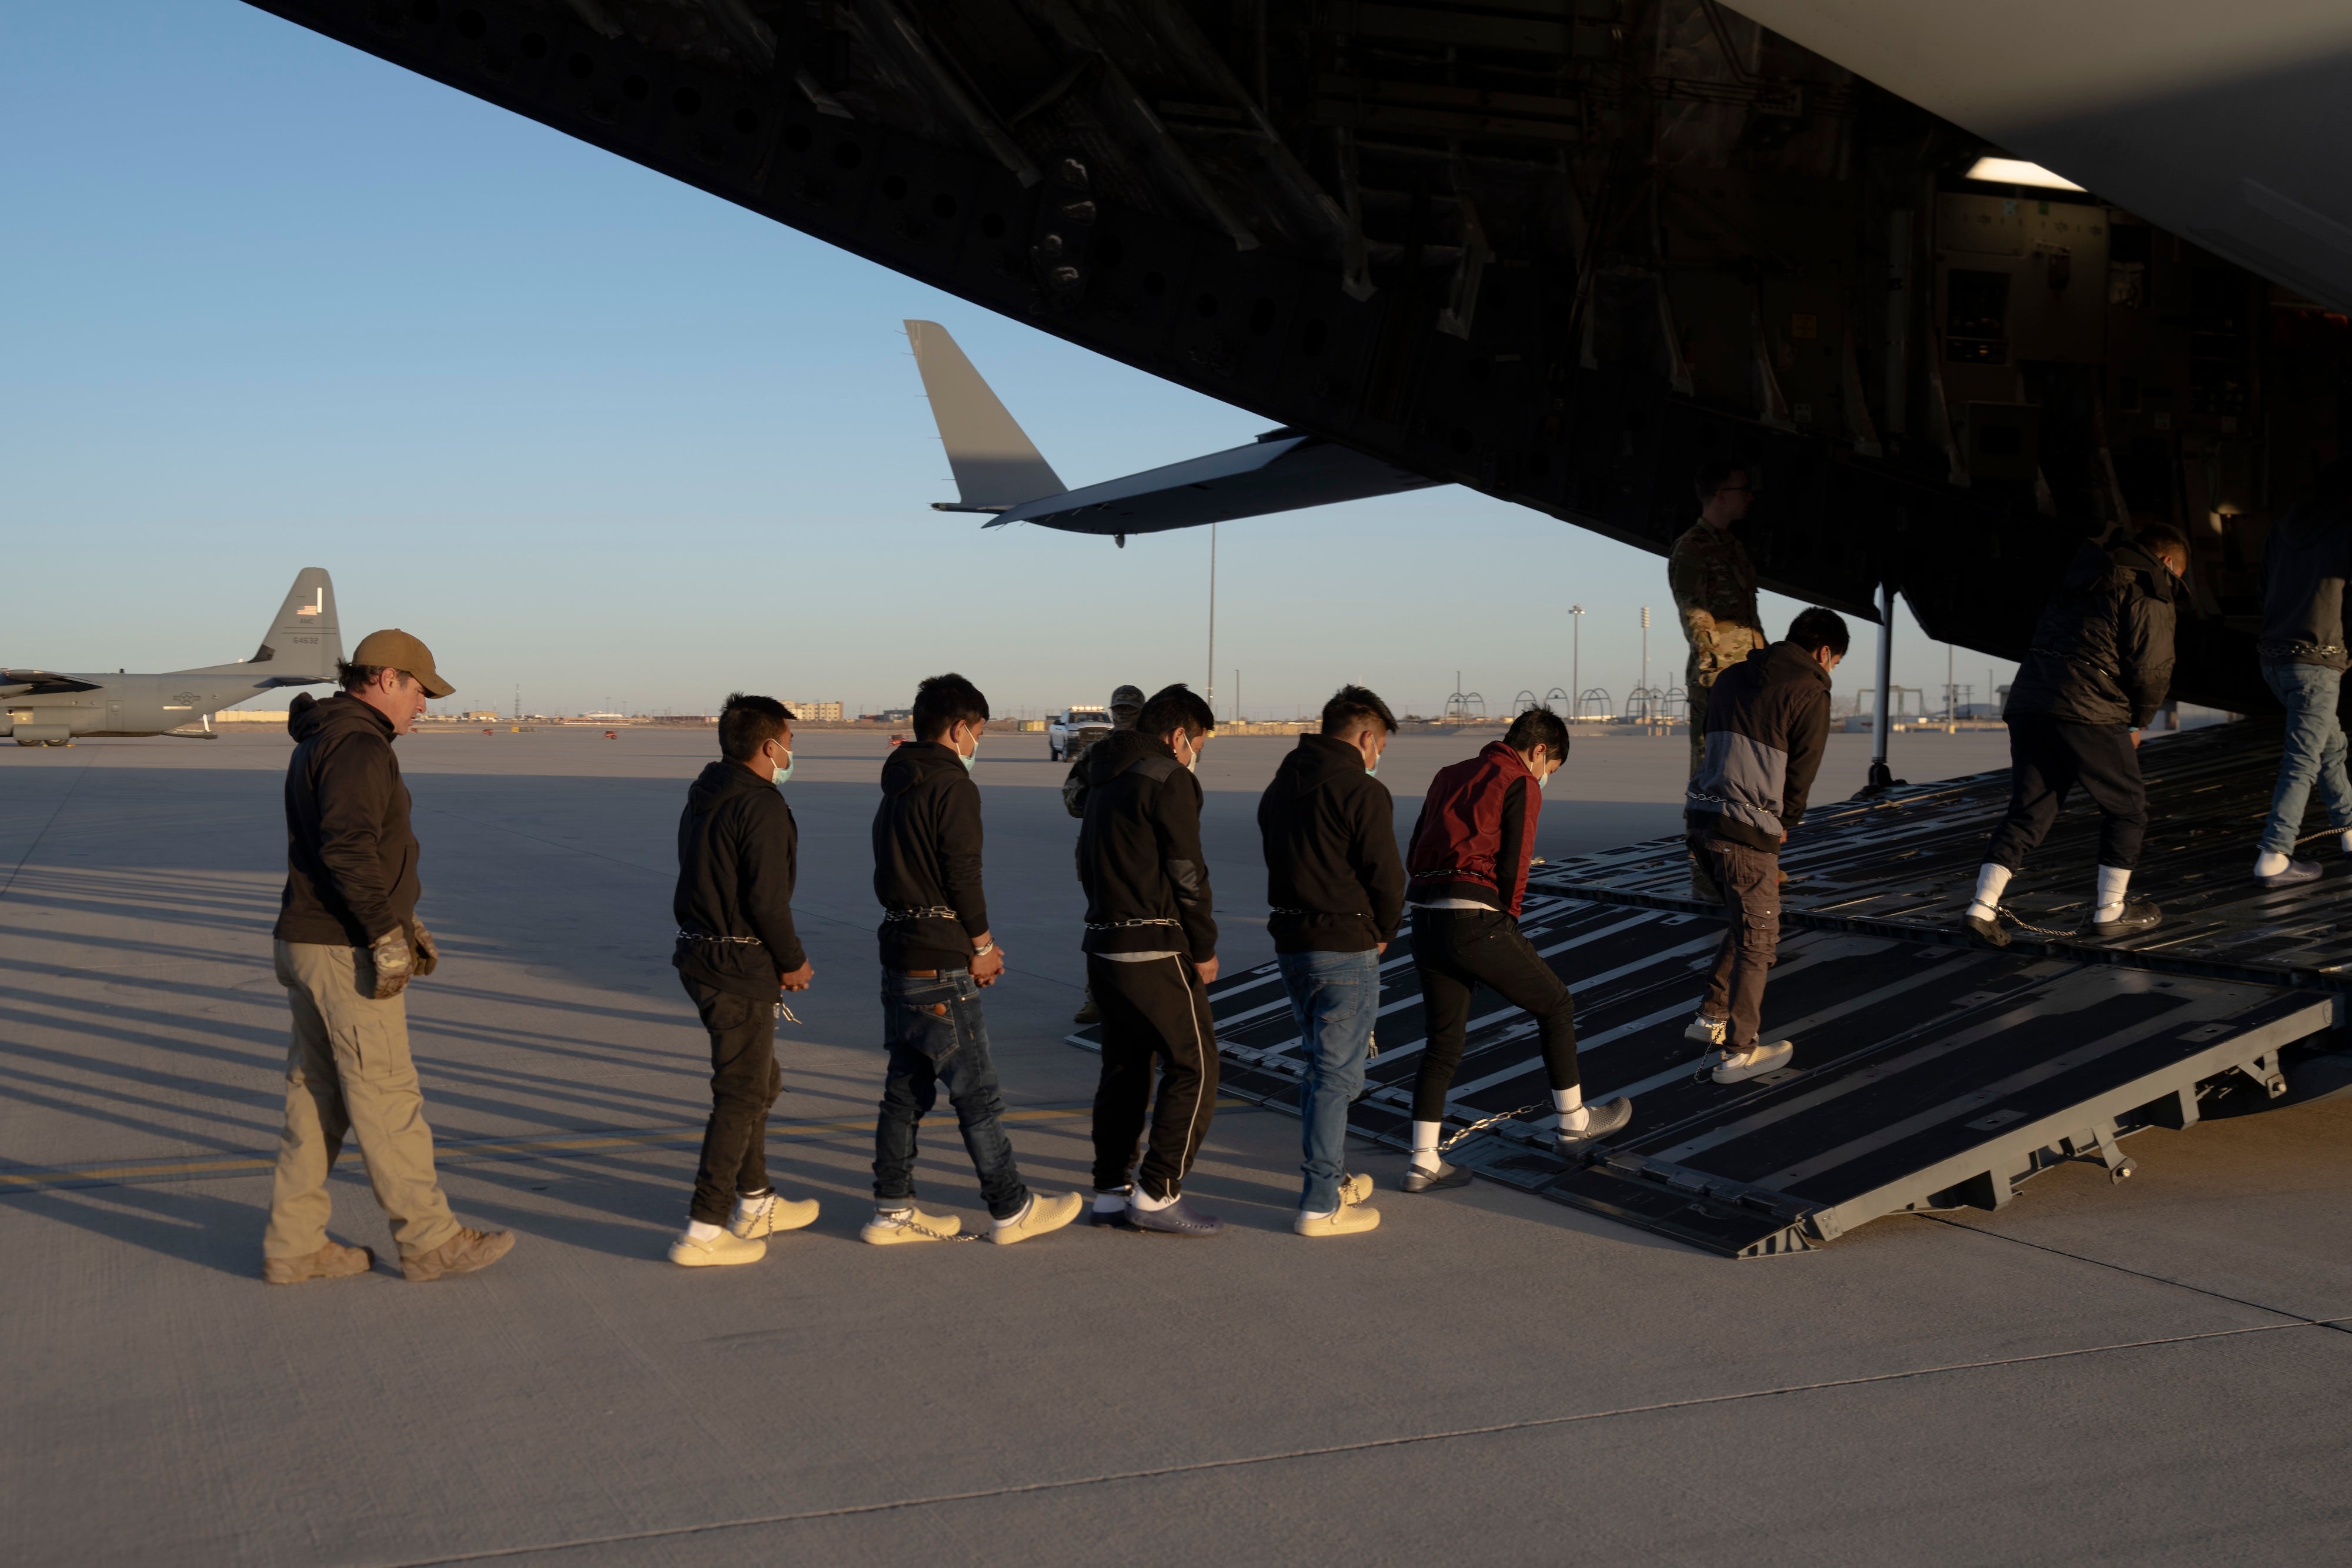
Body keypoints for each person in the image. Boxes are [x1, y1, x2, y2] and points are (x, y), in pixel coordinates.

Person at [261, 630, 514, 1285]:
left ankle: (293, 1244)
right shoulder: (359, 745)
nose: (424, 707)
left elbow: (341, 851)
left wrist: (400, 915)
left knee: (317, 1097)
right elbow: (348, 848)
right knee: (387, 1096)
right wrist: (383, 932)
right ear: (387, 680)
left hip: (308, 938)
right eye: (420, 692)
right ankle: (430, 1241)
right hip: (343, 949)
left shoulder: (325, 735)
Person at [865, 674, 1083, 1246]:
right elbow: (962, 874)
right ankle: (1011, 1207)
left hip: (899, 950)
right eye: (978, 733)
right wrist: (982, 947)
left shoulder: (896, 787)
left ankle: (892, 1210)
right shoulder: (952, 786)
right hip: (940, 959)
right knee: (976, 1091)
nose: (976, 745)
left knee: (905, 1090)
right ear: (959, 728)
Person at [1398, 706, 1632, 1193]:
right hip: (1475, 918)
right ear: (1540, 750)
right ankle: (1573, 1121)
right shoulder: (1518, 779)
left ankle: (1422, 1161)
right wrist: (1506, 923)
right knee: (1556, 1002)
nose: (1547, 779)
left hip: (1424, 917)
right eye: (1551, 770)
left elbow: (1415, 846)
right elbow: (1515, 863)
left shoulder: (1448, 774)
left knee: (1442, 1043)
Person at [1962, 526, 2188, 946]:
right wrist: (2138, 722)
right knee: (2128, 809)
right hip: (2089, 707)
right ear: (2168, 563)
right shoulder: (2149, 587)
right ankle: (2111, 911)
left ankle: (1982, 907)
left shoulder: (2083, 573)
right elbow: (2151, 668)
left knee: (2029, 810)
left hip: (2031, 700)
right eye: (2178, 577)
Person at [666, 693, 821, 1268]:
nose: (789, 752)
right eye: (789, 742)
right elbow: (766, 899)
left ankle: (755, 1200)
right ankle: (705, 1228)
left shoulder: (706, 796)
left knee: (760, 1080)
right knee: (740, 1093)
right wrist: (792, 960)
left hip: (701, 957)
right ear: (768, 746)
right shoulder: (760, 805)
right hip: (738, 965)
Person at [1257, 685, 1405, 1238]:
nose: (1378, 756)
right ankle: (1320, 1203)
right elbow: (1387, 875)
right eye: (1380, 745)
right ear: (1367, 737)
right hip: (1345, 946)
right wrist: (1385, 930)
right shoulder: (1362, 791)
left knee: (1318, 1066)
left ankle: (1333, 1175)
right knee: (1338, 1078)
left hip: (1292, 941)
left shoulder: (1279, 786)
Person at [1078, 683, 1224, 1236]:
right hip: (1154, 945)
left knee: (1124, 1069)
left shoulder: (1101, 776)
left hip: (1103, 943)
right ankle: (1160, 1191)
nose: (1197, 757)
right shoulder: (1168, 778)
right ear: (1179, 735)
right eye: (1199, 744)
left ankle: (1111, 1190)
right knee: (1197, 1064)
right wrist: (1204, 945)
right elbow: (1188, 872)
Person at [1683, 609, 1847, 1082]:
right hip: (1748, 829)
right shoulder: (1811, 690)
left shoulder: (1732, 677)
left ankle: (1710, 1018)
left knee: (1747, 917)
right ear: (1824, 653)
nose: (1830, 669)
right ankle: (1739, 1051)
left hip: (1702, 819)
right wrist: (1785, 822)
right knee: (1761, 939)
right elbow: (1801, 772)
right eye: (1834, 661)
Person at [2250, 466, 2352, 886]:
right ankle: (2274, 854)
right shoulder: (2344, 531)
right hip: (2318, 658)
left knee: (2331, 745)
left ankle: (2349, 828)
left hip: (2274, 657)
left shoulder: (2281, 529)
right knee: (2304, 759)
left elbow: (2262, 588)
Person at [1669, 459, 1767, 897]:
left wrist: (1764, 664)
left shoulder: (1734, 548)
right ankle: (1705, 876)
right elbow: (1697, 619)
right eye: (1742, 487)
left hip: (1747, 678)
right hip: (1718, 684)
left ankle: (1744, 865)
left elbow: (1749, 617)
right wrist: (1724, 676)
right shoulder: (1692, 549)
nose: (1749, 495)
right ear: (1719, 494)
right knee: (1709, 780)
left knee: (1748, 778)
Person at [1067, 683, 1145, 1025]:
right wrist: (1102, 807)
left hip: (1142, 854)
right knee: (1101, 924)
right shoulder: (1096, 752)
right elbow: (1071, 794)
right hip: (1098, 850)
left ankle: (1137, 996)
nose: (1124, 715)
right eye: (1120, 709)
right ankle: (1096, 998)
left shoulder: (1155, 752)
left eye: (1131, 709)